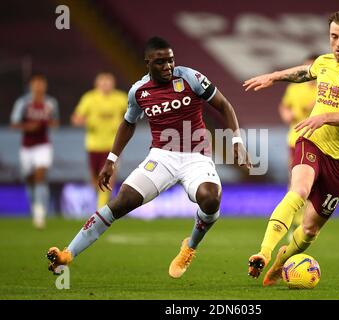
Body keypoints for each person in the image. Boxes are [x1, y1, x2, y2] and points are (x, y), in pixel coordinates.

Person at [46, 36, 251, 278]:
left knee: (210, 199)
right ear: (148, 63)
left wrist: (237, 141)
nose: (168, 66)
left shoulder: (190, 78)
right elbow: (128, 123)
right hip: (161, 157)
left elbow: (224, 105)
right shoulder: (139, 91)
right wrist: (111, 160)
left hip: (196, 156)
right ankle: (67, 254)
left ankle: (190, 247)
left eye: (171, 60)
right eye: (161, 62)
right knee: (120, 203)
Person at [244, 10, 339, 286]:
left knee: (308, 230)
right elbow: (303, 73)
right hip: (312, 141)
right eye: (333, 37)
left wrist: (325, 116)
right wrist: (274, 75)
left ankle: (281, 262)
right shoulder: (325, 62)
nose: (338, 43)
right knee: (299, 190)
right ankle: (264, 251)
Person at [71, 73, 127, 209]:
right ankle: (101, 203)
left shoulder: (120, 98)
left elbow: (132, 114)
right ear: (97, 84)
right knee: (95, 180)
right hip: (93, 145)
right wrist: (84, 121)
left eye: (108, 82)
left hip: (113, 146)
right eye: (103, 82)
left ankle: (100, 209)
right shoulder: (89, 98)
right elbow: (76, 118)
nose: (106, 85)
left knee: (108, 177)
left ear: (113, 84)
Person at [10, 74, 60, 229]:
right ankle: (35, 206)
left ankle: (39, 214)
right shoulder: (23, 103)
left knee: (40, 175)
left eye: (41, 84)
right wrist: (28, 127)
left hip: (43, 145)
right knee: (30, 179)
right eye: (36, 84)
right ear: (31, 86)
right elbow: (14, 124)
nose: (39, 86)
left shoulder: (51, 103)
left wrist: (49, 124)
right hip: (27, 147)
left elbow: (56, 122)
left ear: (45, 86)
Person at [278, 55, 317, 243]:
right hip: (297, 141)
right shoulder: (294, 87)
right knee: (297, 184)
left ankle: (306, 223)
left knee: (313, 186)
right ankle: (294, 223)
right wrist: (288, 114)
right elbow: (284, 107)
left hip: (319, 141)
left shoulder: (326, 89)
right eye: (305, 67)